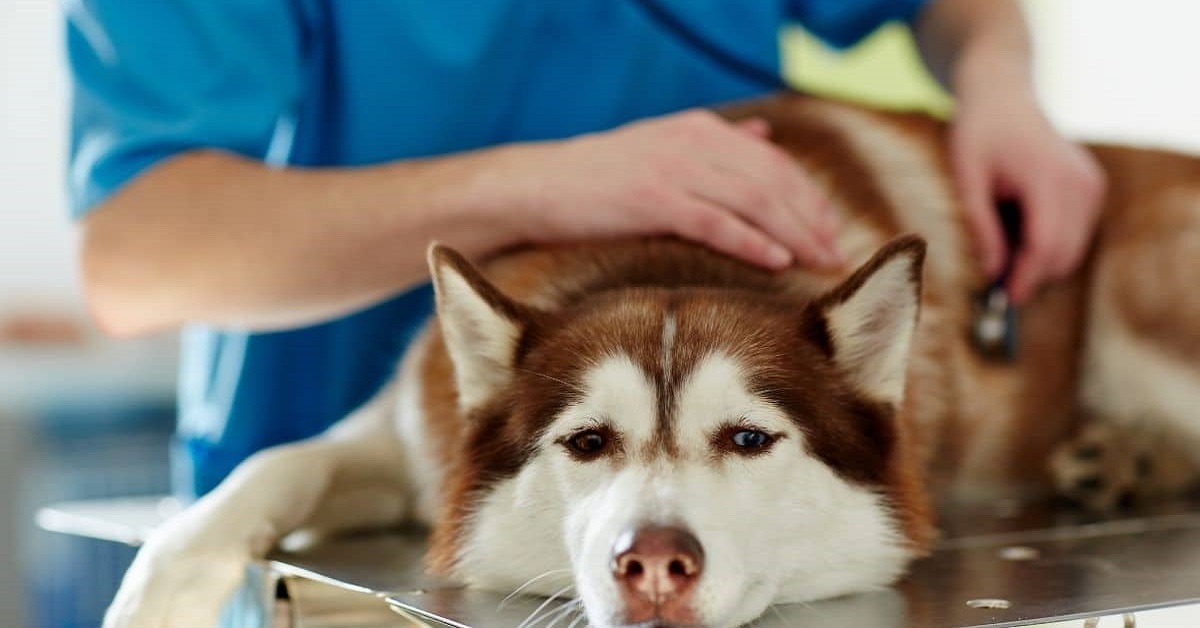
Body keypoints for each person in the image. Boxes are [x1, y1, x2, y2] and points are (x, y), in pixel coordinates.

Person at [66, 0, 1105, 499]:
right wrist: (542, 184)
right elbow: (139, 256)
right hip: (364, 518)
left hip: (721, 521)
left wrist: (1002, 85)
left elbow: (953, 8)